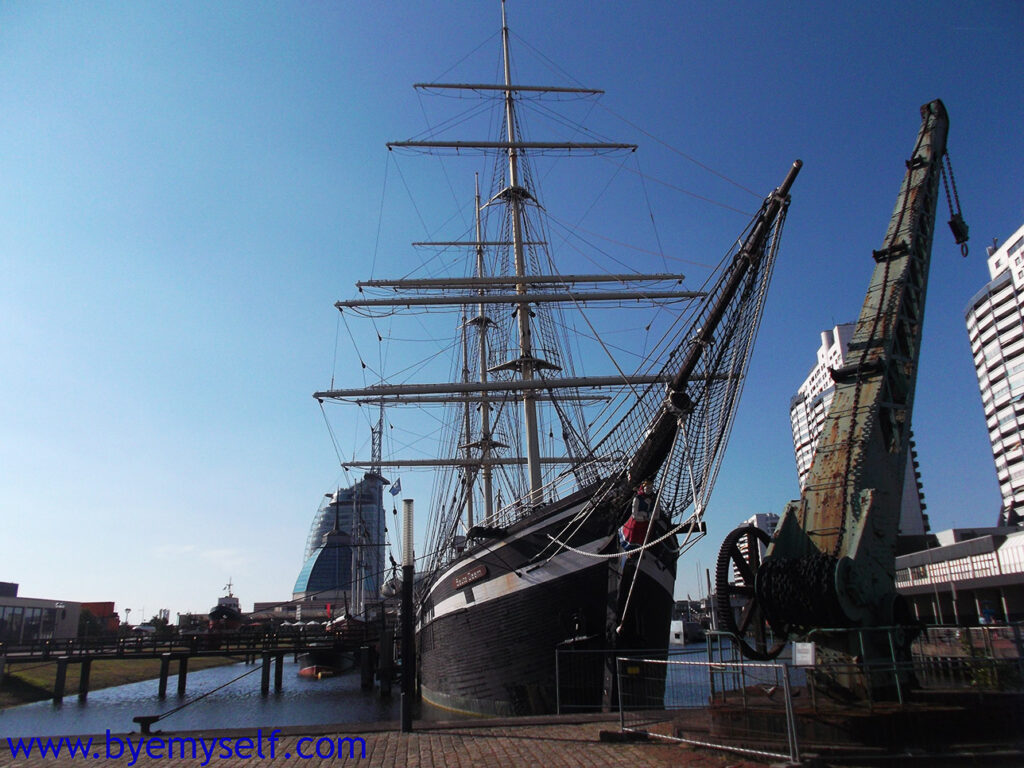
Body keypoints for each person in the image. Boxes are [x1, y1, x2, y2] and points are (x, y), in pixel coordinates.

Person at [620, 480, 657, 548]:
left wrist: (646, 515)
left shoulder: (654, 499)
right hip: (635, 525)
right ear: (643, 487)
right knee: (632, 539)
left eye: (651, 488)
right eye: (647, 487)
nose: (649, 489)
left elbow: (657, 515)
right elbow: (634, 515)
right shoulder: (637, 498)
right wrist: (645, 516)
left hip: (646, 525)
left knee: (643, 540)